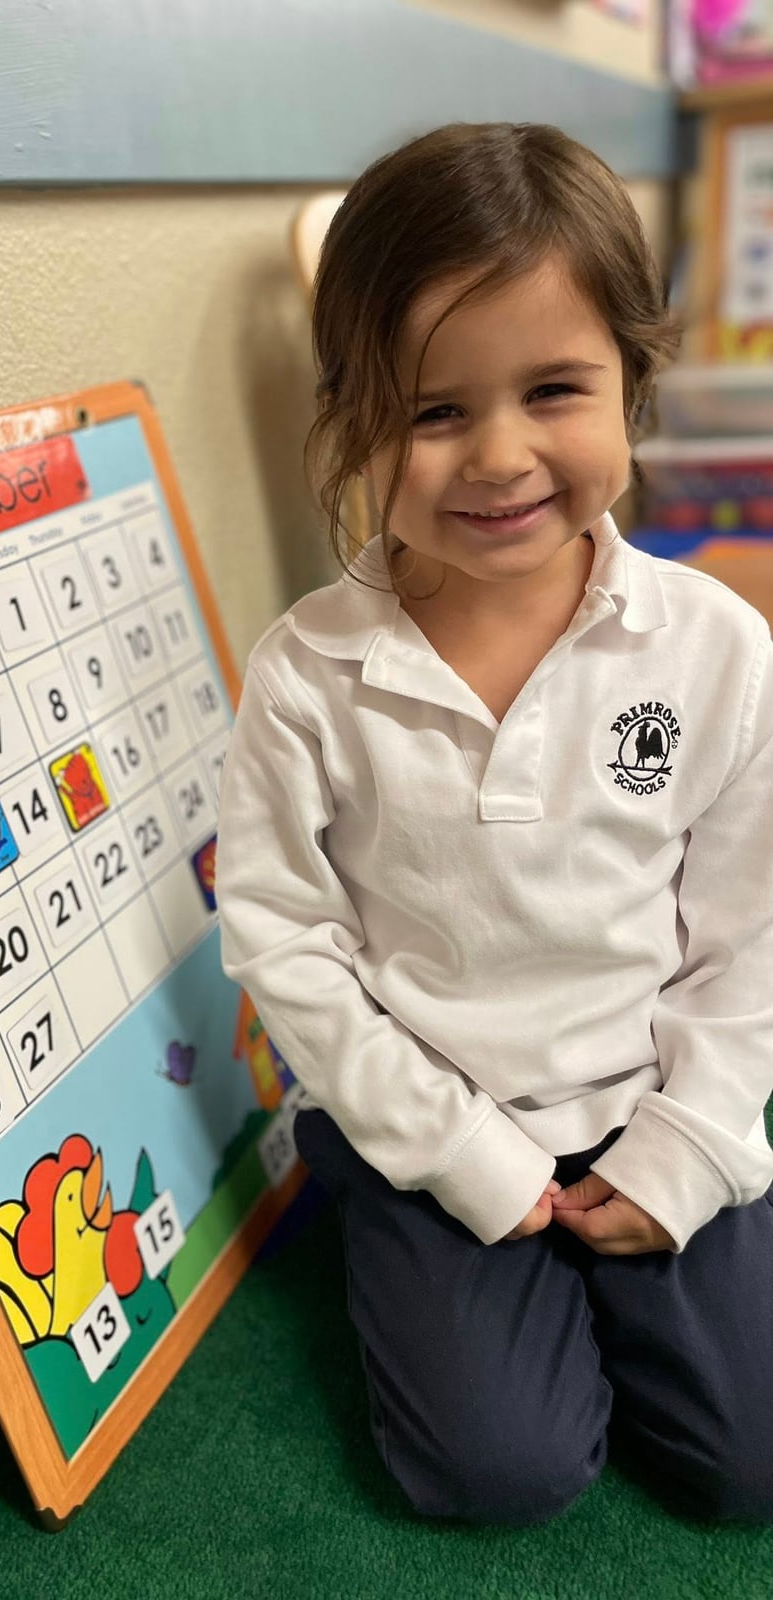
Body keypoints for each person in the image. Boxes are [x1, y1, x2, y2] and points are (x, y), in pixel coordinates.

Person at [215, 122, 773, 1527]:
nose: (503, 455)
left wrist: (686, 1148)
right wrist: (461, 1157)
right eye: (433, 410)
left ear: (633, 389)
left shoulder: (713, 648)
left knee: (754, 1462)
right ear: (353, 418)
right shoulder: (307, 676)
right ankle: (454, 1279)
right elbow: (286, 942)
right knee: (495, 1474)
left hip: (648, 1099)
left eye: (554, 389)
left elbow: (748, 937)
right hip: (433, 1131)